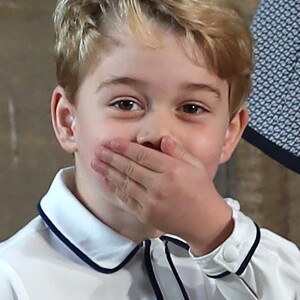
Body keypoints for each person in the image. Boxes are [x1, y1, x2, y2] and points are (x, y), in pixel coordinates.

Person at [0, 0, 299, 299]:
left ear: (229, 135)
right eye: (125, 104)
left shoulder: (238, 259)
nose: (158, 134)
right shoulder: (14, 278)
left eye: (191, 108)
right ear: (69, 122)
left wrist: (217, 234)